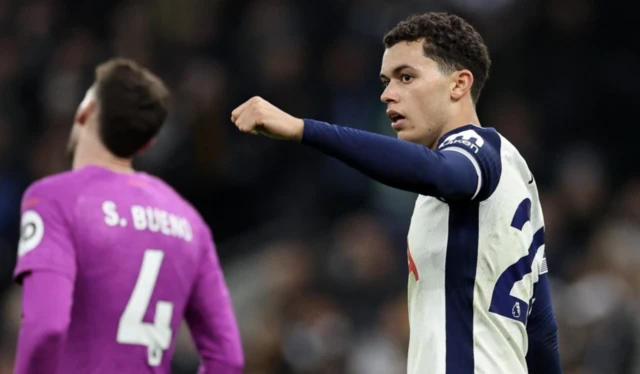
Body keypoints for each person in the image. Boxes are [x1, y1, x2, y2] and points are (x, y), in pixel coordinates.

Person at [231, 12, 561, 374]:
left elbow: (442, 173)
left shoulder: (476, 149)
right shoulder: (516, 178)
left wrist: (302, 129)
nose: (388, 94)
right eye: (386, 81)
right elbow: (541, 330)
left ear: (459, 85)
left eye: (407, 77)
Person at [13, 58, 244, 374]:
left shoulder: (54, 198)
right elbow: (228, 359)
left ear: (86, 112)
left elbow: (45, 327)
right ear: (147, 143)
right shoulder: (189, 220)